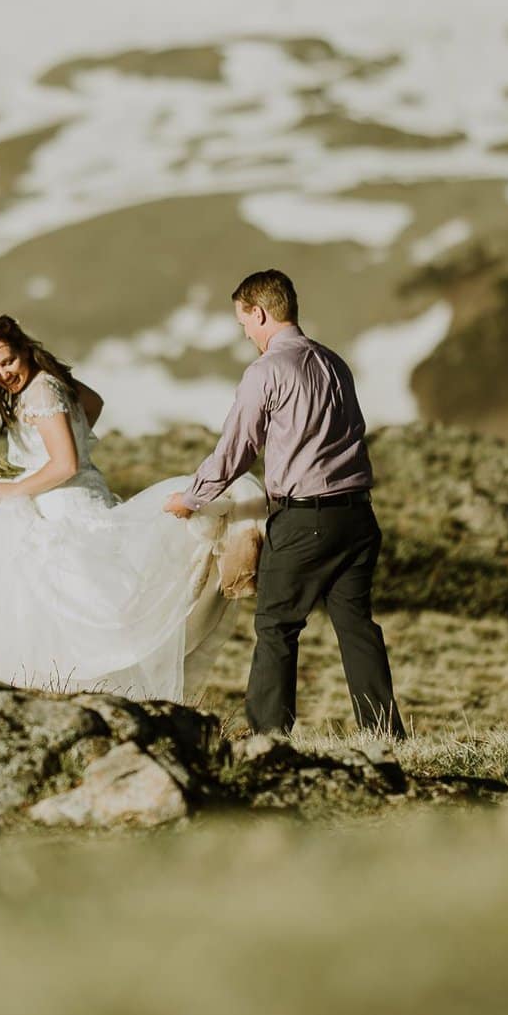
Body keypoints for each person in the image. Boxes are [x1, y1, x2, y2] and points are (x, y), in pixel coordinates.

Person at [0, 316, 265, 702]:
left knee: (75, 605)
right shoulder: (51, 382)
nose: (2, 374)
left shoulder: (42, 392)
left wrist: (16, 487)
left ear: (24, 349)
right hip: (76, 495)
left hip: (65, 504)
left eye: (8, 361)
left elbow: (65, 465)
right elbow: (93, 404)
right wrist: (68, 436)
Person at [165, 270, 406, 737]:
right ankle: (383, 733)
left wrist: (191, 499)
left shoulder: (267, 371)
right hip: (357, 516)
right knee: (357, 628)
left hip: (304, 520)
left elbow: (236, 450)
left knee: (276, 628)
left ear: (259, 312)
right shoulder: (335, 363)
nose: (247, 335)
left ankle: (269, 738)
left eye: (244, 324)